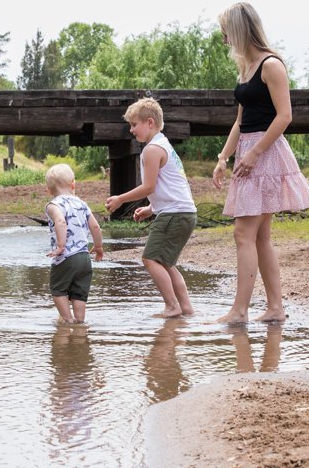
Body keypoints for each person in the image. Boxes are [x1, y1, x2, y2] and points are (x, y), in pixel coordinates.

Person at [211, 2, 309, 325]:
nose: (224, 39)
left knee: (244, 234)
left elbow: (285, 116)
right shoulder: (245, 67)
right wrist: (223, 157)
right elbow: (240, 121)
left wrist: (255, 153)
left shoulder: (272, 66)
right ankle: (274, 308)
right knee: (259, 236)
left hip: (265, 153)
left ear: (241, 30)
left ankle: (239, 311)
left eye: (226, 32)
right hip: (246, 150)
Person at [106, 97, 198, 319]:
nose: (131, 130)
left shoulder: (152, 150)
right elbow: (169, 186)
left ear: (149, 122)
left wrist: (120, 199)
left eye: (134, 124)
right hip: (185, 212)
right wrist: (151, 208)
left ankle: (172, 306)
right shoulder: (164, 144)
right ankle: (186, 309)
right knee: (166, 262)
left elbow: (148, 186)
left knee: (150, 259)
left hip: (175, 215)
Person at [43, 163, 105, 324]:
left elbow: (60, 222)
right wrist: (98, 247)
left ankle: (68, 320)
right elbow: (95, 226)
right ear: (73, 184)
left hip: (65, 257)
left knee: (58, 290)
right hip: (84, 257)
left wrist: (61, 246)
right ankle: (80, 321)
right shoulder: (82, 204)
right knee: (79, 292)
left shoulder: (53, 205)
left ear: (49, 190)